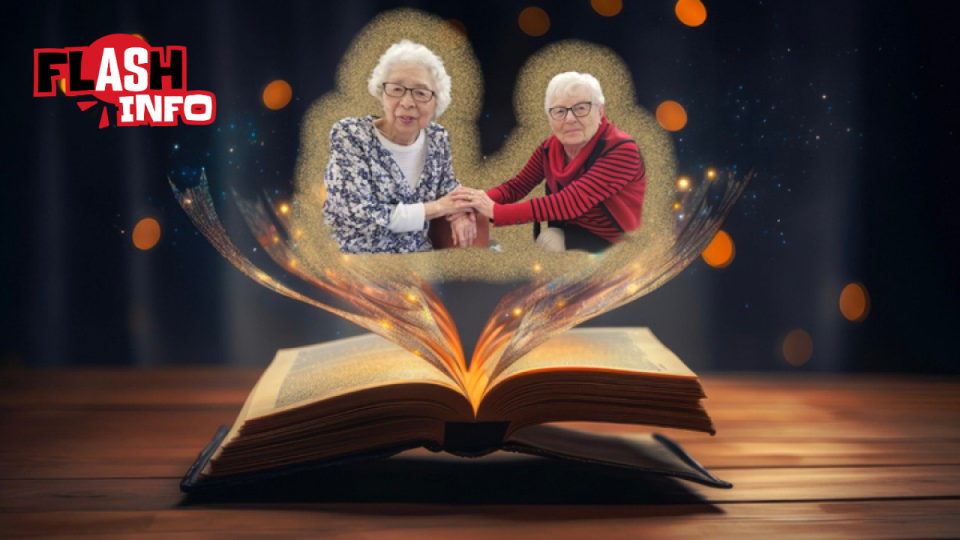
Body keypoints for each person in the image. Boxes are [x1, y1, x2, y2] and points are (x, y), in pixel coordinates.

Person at [453, 72, 646, 252]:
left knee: (549, 242)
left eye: (580, 108)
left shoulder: (622, 149)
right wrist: (473, 205)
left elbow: (571, 202)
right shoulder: (549, 148)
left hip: (617, 244)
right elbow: (516, 187)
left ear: (600, 111)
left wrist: (496, 211)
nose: (570, 119)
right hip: (571, 230)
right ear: (550, 118)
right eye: (559, 111)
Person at [323, 40, 475, 253]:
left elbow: (448, 186)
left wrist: (460, 214)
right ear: (381, 93)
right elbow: (359, 216)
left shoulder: (437, 138)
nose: (407, 102)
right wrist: (438, 207)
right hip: (356, 267)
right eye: (396, 89)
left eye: (421, 93)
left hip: (418, 267)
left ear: (436, 103)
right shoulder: (350, 135)